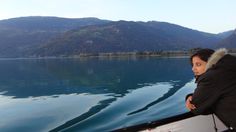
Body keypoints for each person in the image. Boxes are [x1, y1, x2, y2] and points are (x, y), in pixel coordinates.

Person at [185, 48, 236, 131]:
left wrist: (189, 98)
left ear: (210, 62)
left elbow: (197, 107)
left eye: (198, 64)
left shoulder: (211, 77)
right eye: (193, 65)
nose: (193, 69)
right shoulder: (229, 68)